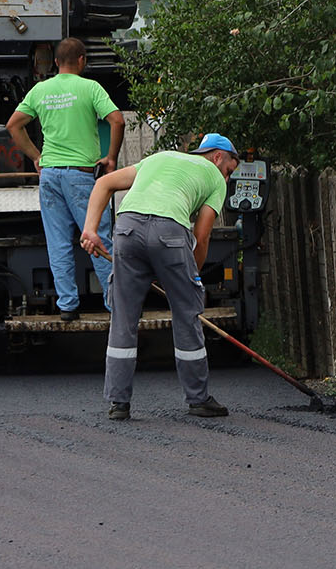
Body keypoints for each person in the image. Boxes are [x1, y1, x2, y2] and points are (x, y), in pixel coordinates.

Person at [81, 134, 240, 420]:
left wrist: (90, 229)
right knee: (186, 313)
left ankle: (118, 403)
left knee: (124, 316)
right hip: (170, 232)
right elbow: (201, 237)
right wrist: (193, 279)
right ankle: (198, 399)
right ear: (218, 157)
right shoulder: (214, 179)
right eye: (229, 170)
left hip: (127, 228)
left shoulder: (159, 158)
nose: (227, 178)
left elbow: (104, 183)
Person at [6, 37, 126, 317]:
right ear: (82, 60)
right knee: (99, 239)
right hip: (81, 177)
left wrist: (36, 156)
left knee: (58, 243)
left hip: (49, 176)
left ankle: (68, 306)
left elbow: (14, 125)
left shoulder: (40, 90)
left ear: (56, 62)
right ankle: (116, 305)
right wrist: (111, 158)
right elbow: (117, 120)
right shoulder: (90, 87)